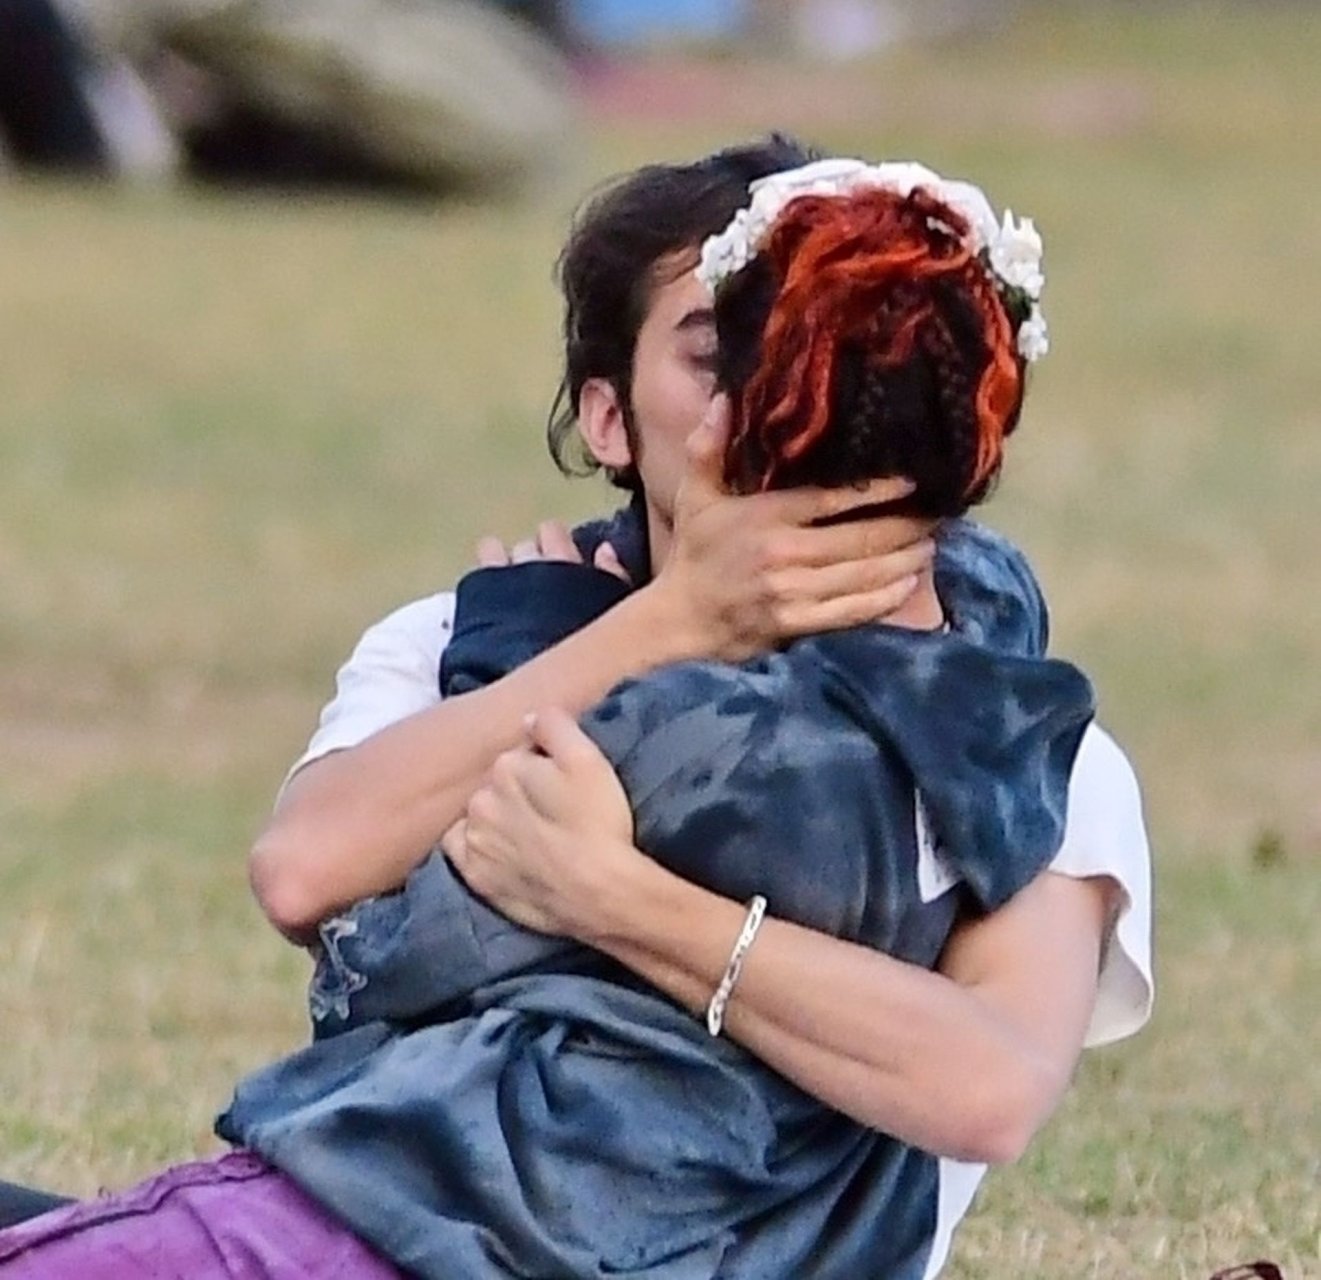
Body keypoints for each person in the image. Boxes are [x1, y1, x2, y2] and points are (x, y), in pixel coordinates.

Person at [0, 138, 1152, 1278]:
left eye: (809, 350)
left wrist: (616, 896)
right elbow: (304, 871)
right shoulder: (471, 640)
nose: (765, 396)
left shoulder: (1020, 740)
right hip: (382, 1204)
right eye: (717, 354)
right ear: (609, 418)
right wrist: (667, 624)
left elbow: (988, 1087)